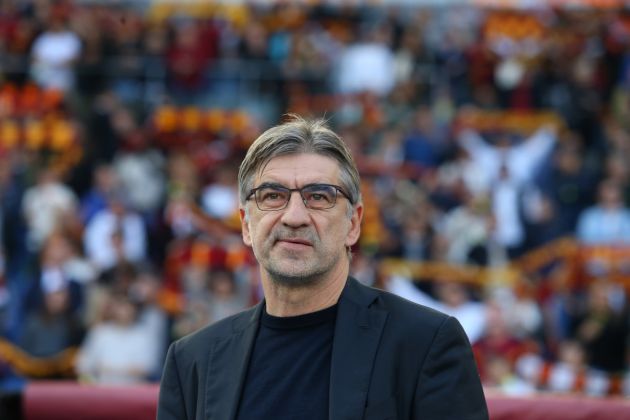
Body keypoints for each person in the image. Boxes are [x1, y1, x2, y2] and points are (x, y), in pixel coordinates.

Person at [157, 116, 488, 419]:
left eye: (319, 196)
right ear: (246, 225)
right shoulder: (192, 362)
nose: (295, 216)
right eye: (272, 195)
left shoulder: (425, 344)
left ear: (353, 224)